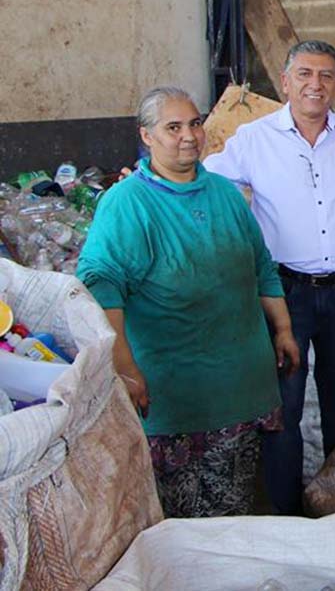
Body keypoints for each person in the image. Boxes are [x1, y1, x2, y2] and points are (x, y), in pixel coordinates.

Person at [77, 87, 300, 518]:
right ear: (147, 136)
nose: (188, 136)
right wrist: (124, 366)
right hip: (176, 395)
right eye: (173, 127)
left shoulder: (224, 193)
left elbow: (260, 266)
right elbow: (101, 285)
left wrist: (285, 330)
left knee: (235, 509)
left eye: (195, 124)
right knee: (184, 524)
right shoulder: (127, 203)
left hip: (240, 387)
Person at [203, 40, 335, 515]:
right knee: (284, 407)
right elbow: (209, 181)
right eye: (305, 74)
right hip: (282, 293)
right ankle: (287, 513)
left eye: (326, 75)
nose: (316, 84)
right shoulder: (254, 139)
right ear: (286, 82)